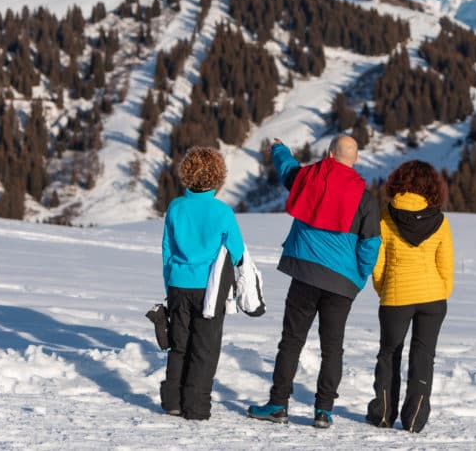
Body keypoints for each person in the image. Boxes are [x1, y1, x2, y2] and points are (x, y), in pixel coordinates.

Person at [248, 135, 381, 429]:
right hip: (342, 282)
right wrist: (358, 276)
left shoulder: (310, 178)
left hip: (305, 274)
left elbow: (287, 169)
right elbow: (371, 244)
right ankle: (323, 411)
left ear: (330, 154)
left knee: (292, 341)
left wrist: (279, 149)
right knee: (332, 348)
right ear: (355, 158)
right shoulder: (365, 198)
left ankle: (278, 404)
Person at [365, 160, 454, 433]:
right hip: (433, 298)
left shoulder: (386, 215)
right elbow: (446, 266)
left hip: (395, 296)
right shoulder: (439, 220)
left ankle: (383, 413)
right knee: (424, 356)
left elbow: (378, 263)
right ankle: (415, 417)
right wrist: (441, 292)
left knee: (389, 354)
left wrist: (384, 290)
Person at [160, 146, 245, 420]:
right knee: (204, 348)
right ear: (218, 176)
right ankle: (196, 406)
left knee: (179, 344)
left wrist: (170, 283)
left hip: (177, 284)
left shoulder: (175, 207)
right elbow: (238, 252)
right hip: (209, 288)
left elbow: (167, 249)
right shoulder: (222, 213)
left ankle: (173, 401)